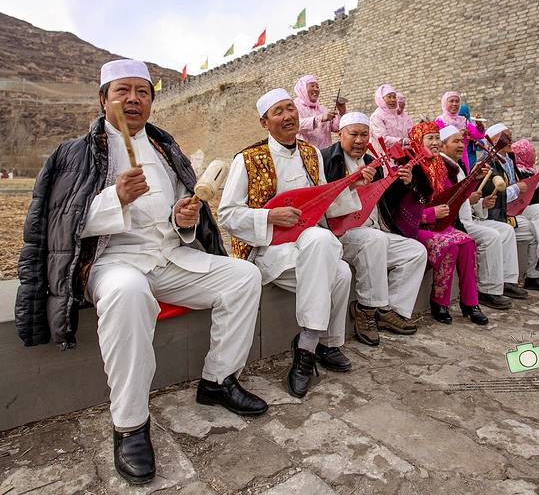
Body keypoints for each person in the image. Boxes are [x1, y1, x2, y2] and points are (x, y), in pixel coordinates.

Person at [16, 59, 267, 486]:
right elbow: (61, 224)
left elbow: (178, 212)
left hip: (169, 257)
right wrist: (113, 198)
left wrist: (183, 219)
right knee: (127, 291)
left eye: (143, 92)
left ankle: (218, 380)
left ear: (151, 101)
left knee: (243, 277)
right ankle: (130, 424)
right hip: (112, 262)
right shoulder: (74, 154)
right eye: (123, 91)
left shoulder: (165, 149)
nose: (133, 99)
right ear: (104, 100)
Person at [219, 88, 365, 399]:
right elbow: (227, 215)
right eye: (278, 112)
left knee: (325, 248)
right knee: (338, 271)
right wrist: (269, 217)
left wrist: (353, 186)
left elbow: (323, 200)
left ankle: (309, 347)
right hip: (267, 248)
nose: (288, 116)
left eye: (291, 109)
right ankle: (320, 345)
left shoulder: (311, 154)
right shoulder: (247, 158)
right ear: (265, 122)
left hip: (310, 243)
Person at [321, 112, 427, 346]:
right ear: (340, 135)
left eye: (364, 135)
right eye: (354, 134)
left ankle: (390, 311)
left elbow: (383, 199)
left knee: (415, 251)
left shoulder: (372, 162)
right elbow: (322, 199)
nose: (359, 140)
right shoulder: (326, 159)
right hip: (339, 232)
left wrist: (405, 183)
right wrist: (351, 185)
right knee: (374, 240)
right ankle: (366, 310)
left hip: (372, 229)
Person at [387, 121, 489, 326]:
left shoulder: (440, 167)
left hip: (436, 226)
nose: (435, 142)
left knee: (468, 243)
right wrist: (430, 214)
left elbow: (455, 196)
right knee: (449, 245)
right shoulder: (407, 167)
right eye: (430, 138)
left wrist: (474, 180)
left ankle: (471, 303)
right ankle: (439, 301)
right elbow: (397, 210)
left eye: (437, 138)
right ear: (417, 141)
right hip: (412, 228)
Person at [439, 125, 525, 307]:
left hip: (470, 218)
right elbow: (447, 201)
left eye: (461, 141)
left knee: (506, 230)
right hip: (454, 222)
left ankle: (508, 281)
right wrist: (470, 199)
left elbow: (466, 202)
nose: (461, 145)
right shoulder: (442, 167)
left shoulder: (458, 166)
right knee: (491, 236)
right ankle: (488, 289)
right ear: (442, 145)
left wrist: (481, 203)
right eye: (456, 141)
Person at [482, 123, 539, 293]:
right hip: (496, 212)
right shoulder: (487, 163)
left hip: (513, 209)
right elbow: (494, 194)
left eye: (510, 136)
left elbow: (524, 187)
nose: (510, 140)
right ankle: (512, 280)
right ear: (492, 140)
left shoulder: (510, 159)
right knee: (534, 229)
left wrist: (538, 179)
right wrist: (516, 189)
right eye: (505, 136)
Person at [435, 91, 485, 172]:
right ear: (444, 103)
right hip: (447, 157)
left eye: (457, 101)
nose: (454, 104)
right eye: (451, 101)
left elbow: (477, 135)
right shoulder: (440, 121)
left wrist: (479, 126)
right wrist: (458, 135)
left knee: (464, 176)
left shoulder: (463, 120)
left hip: (463, 156)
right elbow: (439, 140)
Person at [294, 74, 346, 148]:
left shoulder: (322, 109)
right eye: (312, 86)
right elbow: (296, 126)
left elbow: (336, 128)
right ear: (303, 89)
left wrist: (342, 112)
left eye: (317, 87)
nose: (316, 89)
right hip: (306, 152)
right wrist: (320, 118)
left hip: (325, 153)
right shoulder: (294, 107)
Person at [369, 84, 414, 154]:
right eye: (389, 97)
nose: (393, 100)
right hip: (386, 156)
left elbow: (409, 131)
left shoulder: (398, 115)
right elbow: (382, 139)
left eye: (394, 97)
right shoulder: (377, 116)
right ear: (381, 98)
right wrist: (402, 141)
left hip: (403, 154)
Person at [458, 102, 479, 170]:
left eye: (464, 116)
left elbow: (481, 144)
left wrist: (472, 139)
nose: (462, 118)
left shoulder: (470, 125)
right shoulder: (452, 125)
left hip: (471, 157)